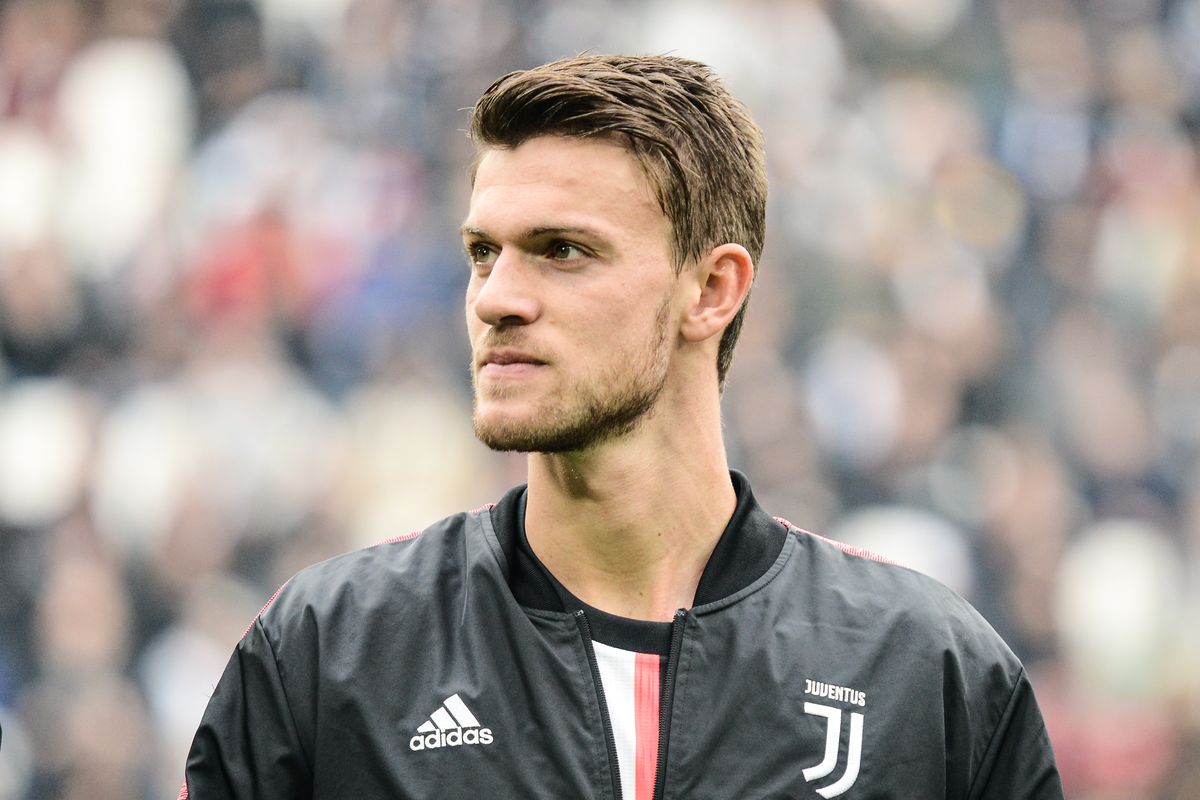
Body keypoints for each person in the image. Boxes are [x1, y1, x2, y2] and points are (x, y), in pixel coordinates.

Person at [184, 54, 1063, 800]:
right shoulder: (330, 654)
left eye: (562, 251)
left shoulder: (924, 672)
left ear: (711, 290)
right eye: (483, 253)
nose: (496, 299)